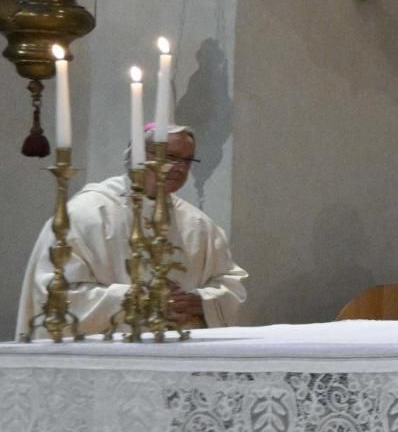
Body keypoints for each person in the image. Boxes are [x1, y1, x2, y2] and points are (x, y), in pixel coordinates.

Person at [14, 125, 250, 335]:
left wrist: (200, 302)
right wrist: (139, 300)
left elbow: (230, 283)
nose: (179, 168)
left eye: (188, 160)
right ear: (137, 155)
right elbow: (56, 295)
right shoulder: (84, 216)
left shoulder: (198, 225)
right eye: (169, 157)